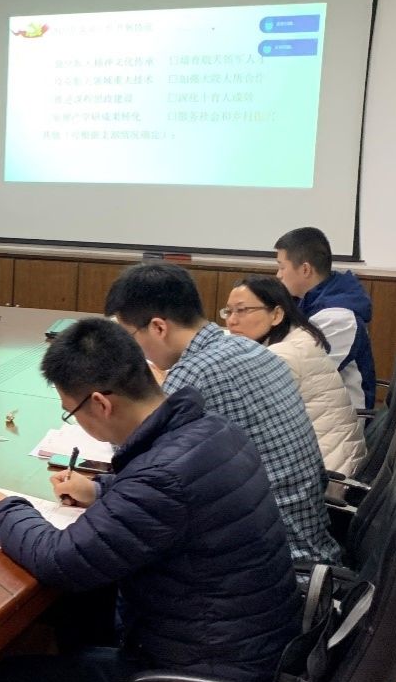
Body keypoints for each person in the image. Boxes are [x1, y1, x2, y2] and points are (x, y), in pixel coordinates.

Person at [0, 318, 299, 682]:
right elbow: (172, 501)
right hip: (248, 665)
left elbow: (63, 560)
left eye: (71, 411)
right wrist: (104, 493)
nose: (76, 423)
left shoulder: (162, 479)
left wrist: (5, 509)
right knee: (83, 616)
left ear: (100, 403)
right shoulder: (213, 432)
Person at [104, 263, 341, 565]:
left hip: (274, 562)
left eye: (129, 337)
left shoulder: (194, 374)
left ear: (159, 328)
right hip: (308, 541)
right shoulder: (248, 348)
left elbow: (135, 472)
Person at [223, 276, 367, 475]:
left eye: (242, 310)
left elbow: (237, 420)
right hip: (332, 458)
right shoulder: (299, 335)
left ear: (276, 314)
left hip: (327, 473)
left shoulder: (282, 356)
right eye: (228, 311)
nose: (232, 321)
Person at [274, 226, 377, 410]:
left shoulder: (339, 318)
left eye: (282, 267)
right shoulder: (309, 299)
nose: (278, 275)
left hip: (340, 418)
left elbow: (299, 373)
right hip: (317, 406)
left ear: (305, 269)